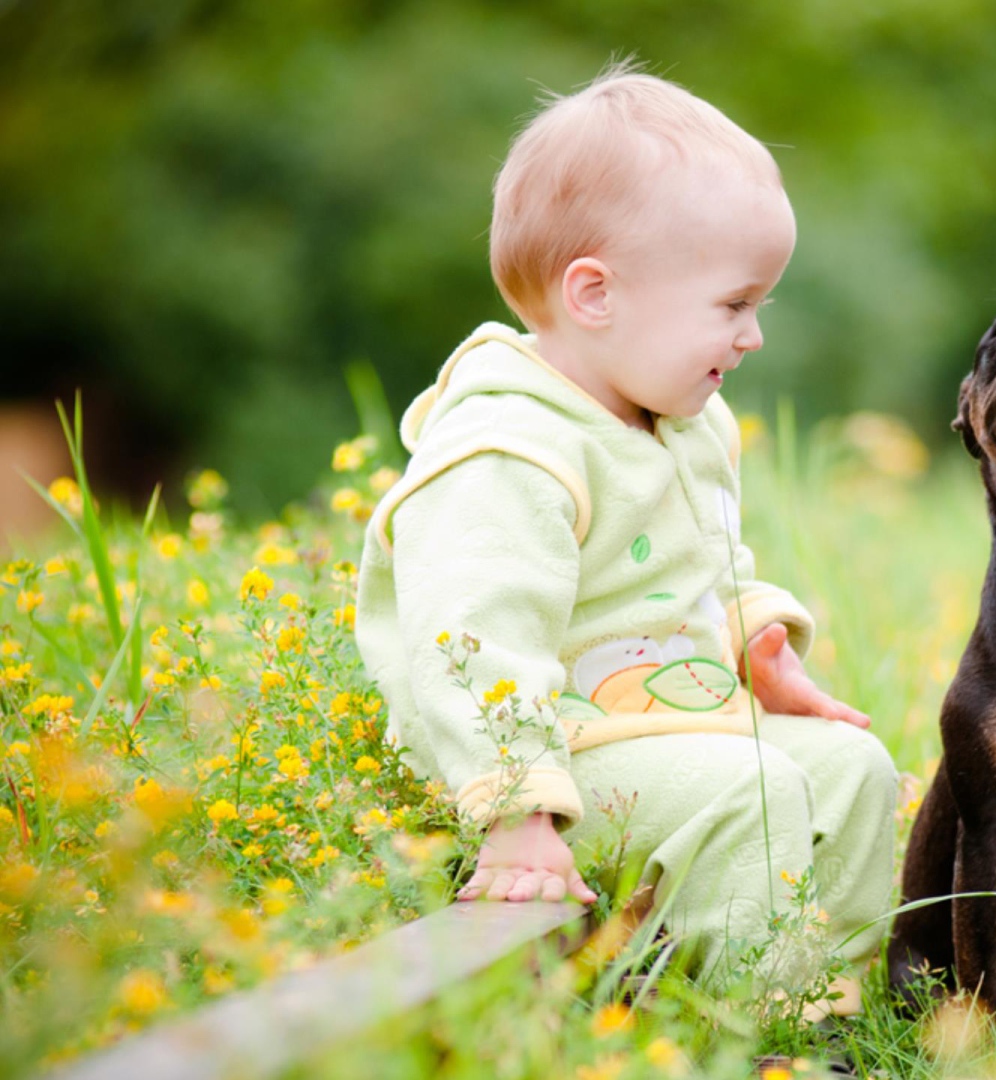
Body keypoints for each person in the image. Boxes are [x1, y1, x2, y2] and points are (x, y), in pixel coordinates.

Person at [355, 64, 898, 984]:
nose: (753, 335)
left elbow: (710, 563)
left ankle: (830, 1003)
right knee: (752, 795)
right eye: (734, 305)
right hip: (545, 766)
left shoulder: (685, 422)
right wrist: (519, 814)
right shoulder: (508, 449)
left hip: (669, 726)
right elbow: (470, 643)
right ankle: (743, 1026)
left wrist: (756, 637)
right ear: (596, 296)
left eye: (759, 305)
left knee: (854, 766)